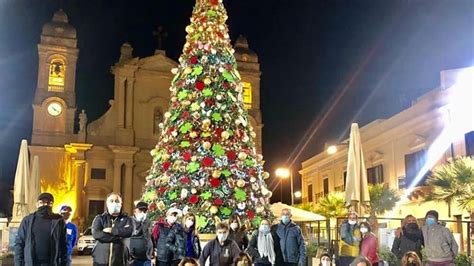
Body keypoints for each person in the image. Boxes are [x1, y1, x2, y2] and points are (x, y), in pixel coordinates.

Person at [14, 192, 68, 266]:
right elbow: (19, 244)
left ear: (52, 205)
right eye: (42, 202)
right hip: (31, 263)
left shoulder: (58, 221)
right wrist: (18, 263)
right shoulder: (27, 221)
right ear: (37, 204)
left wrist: (65, 263)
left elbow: (64, 246)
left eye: (48, 203)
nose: (45, 205)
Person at [91, 192, 134, 266]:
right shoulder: (99, 218)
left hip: (120, 261)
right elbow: (97, 234)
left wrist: (112, 230)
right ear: (107, 204)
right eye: (111, 201)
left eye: (117, 201)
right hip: (100, 261)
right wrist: (119, 238)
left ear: (121, 203)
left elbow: (129, 231)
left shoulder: (127, 219)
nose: (114, 203)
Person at [129, 201, 154, 266]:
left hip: (147, 257)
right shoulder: (129, 221)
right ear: (135, 211)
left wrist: (153, 252)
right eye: (140, 211)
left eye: (145, 211)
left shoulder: (148, 221)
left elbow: (150, 236)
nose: (142, 213)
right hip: (133, 258)